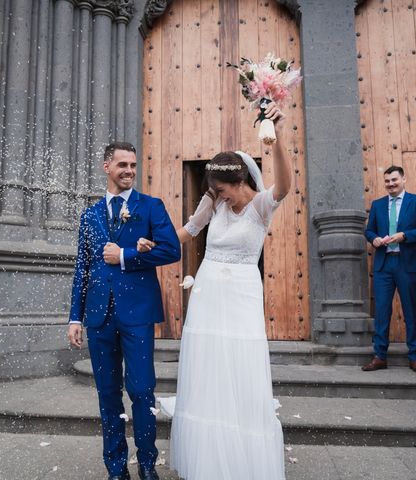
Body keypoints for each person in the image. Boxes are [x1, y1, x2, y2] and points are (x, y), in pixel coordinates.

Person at [139, 105, 289, 479]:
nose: (220, 197)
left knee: (238, 357)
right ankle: (210, 438)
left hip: (241, 292)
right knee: (209, 357)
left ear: (241, 182)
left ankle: (240, 444)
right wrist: (151, 249)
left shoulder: (259, 206)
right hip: (208, 290)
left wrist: (277, 140)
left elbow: (286, 186)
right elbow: (188, 231)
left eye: (223, 190)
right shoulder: (215, 200)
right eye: (215, 191)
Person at [67, 142, 181, 480]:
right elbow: (82, 268)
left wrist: (128, 255)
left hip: (138, 314)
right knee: (107, 393)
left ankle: (147, 464)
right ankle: (116, 468)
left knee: (142, 389)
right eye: (122, 165)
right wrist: (75, 316)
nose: (129, 171)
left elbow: (171, 249)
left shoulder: (150, 207)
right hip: (99, 316)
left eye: (133, 165)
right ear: (106, 166)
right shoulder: (89, 215)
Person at [363, 166, 416, 373]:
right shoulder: (377, 204)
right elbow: (369, 230)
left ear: (404, 179)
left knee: (411, 309)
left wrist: (404, 235)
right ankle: (380, 356)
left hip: (407, 262)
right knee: (382, 311)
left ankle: (414, 356)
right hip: (384, 264)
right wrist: (373, 238)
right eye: (387, 181)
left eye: (394, 180)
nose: (390, 184)